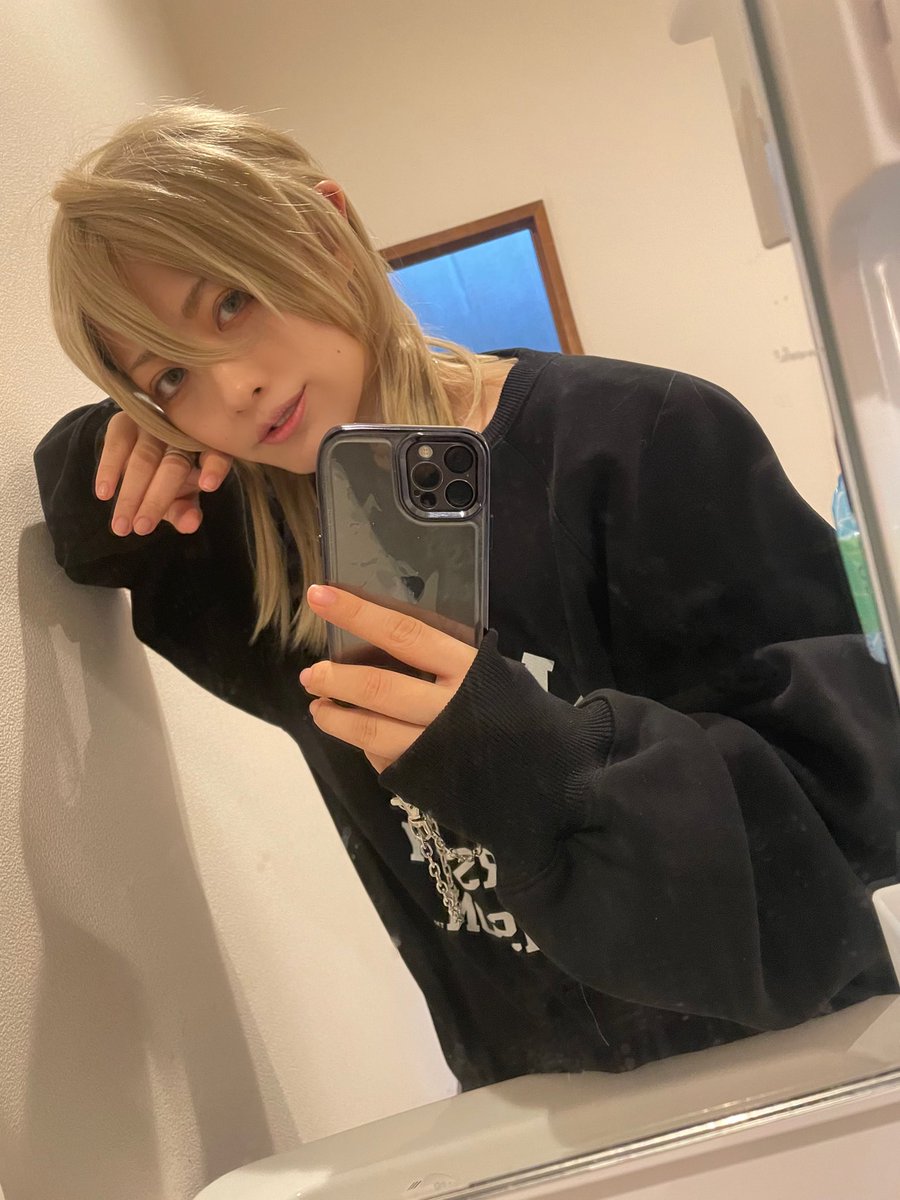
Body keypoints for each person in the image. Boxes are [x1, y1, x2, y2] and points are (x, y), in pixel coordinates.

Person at [35, 102, 900, 1088]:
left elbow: (861, 784)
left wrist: (536, 765)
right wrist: (122, 433)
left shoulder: (636, 437)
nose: (231, 387)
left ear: (325, 230)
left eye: (231, 300)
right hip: (534, 1112)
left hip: (799, 1067)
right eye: (172, 375)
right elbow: (73, 515)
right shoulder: (252, 542)